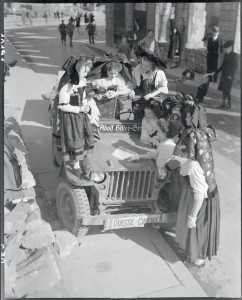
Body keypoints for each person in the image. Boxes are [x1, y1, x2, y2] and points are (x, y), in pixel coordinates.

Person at [160, 95, 220, 268]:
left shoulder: (194, 165)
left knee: (197, 228)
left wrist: (193, 216)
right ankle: (192, 252)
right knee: (192, 227)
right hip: (195, 192)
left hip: (200, 200)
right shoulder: (197, 153)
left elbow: (200, 194)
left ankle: (197, 258)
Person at [52, 56, 96, 180]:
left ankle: (82, 162)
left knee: (83, 140)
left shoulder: (82, 82)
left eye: (87, 71)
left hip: (81, 117)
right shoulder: (66, 86)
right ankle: (75, 166)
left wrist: (86, 107)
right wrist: (78, 109)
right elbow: (62, 106)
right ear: (75, 72)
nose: (86, 74)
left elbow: (83, 98)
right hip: (71, 119)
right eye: (84, 72)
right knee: (75, 142)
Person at [132, 45, 168, 118]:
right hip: (140, 99)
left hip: (154, 100)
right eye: (142, 64)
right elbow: (132, 83)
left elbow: (163, 88)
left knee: (155, 114)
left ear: (152, 66)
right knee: (137, 113)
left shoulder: (159, 73)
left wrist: (151, 95)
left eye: (146, 66)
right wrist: (131, 91)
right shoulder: (138, 69)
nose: (143, 67)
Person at [209, 40, 238, 109]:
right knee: (224, 89)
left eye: (227, 48)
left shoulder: (234, 55)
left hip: (229, 76)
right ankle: (223, 103)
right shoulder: (225, 55)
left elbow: (235, 66)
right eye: (226, 48)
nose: (226, 50)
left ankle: (229, 104)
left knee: (227, 90)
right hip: (224, 75)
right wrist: (215, 72)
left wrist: (230, 75)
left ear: (231, 47)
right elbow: (222, 66)